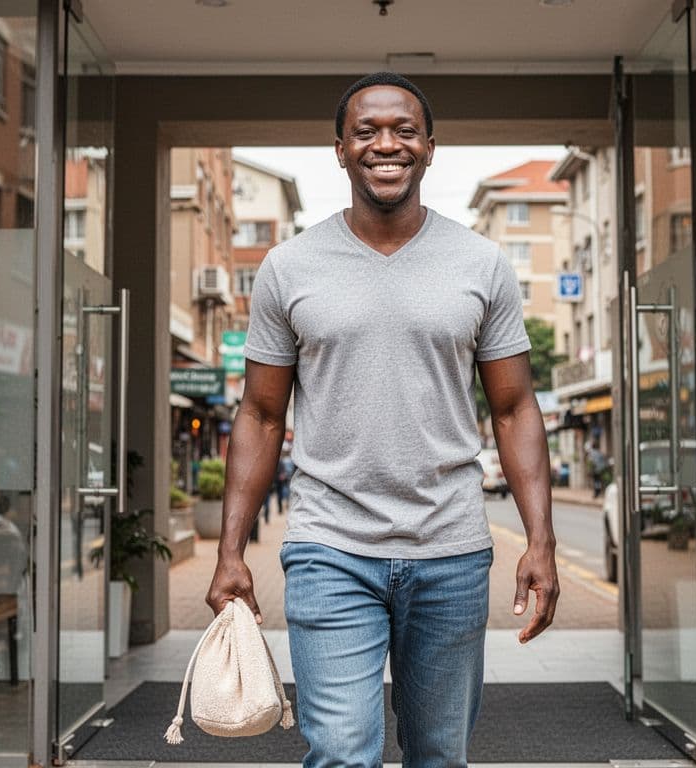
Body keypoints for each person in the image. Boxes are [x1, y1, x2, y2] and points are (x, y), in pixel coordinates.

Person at [205, 71, 559, 767]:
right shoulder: (288, 266)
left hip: (452, 548)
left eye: (404, 130)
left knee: (438, 754)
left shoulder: (482, 264)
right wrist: (229, 551)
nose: (385, 144)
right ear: (340, 149)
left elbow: (514, 408)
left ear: (431, 147)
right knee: (340, 753)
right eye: (366, 131)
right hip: (328, 546)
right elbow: (261, 413)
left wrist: (540, 541)